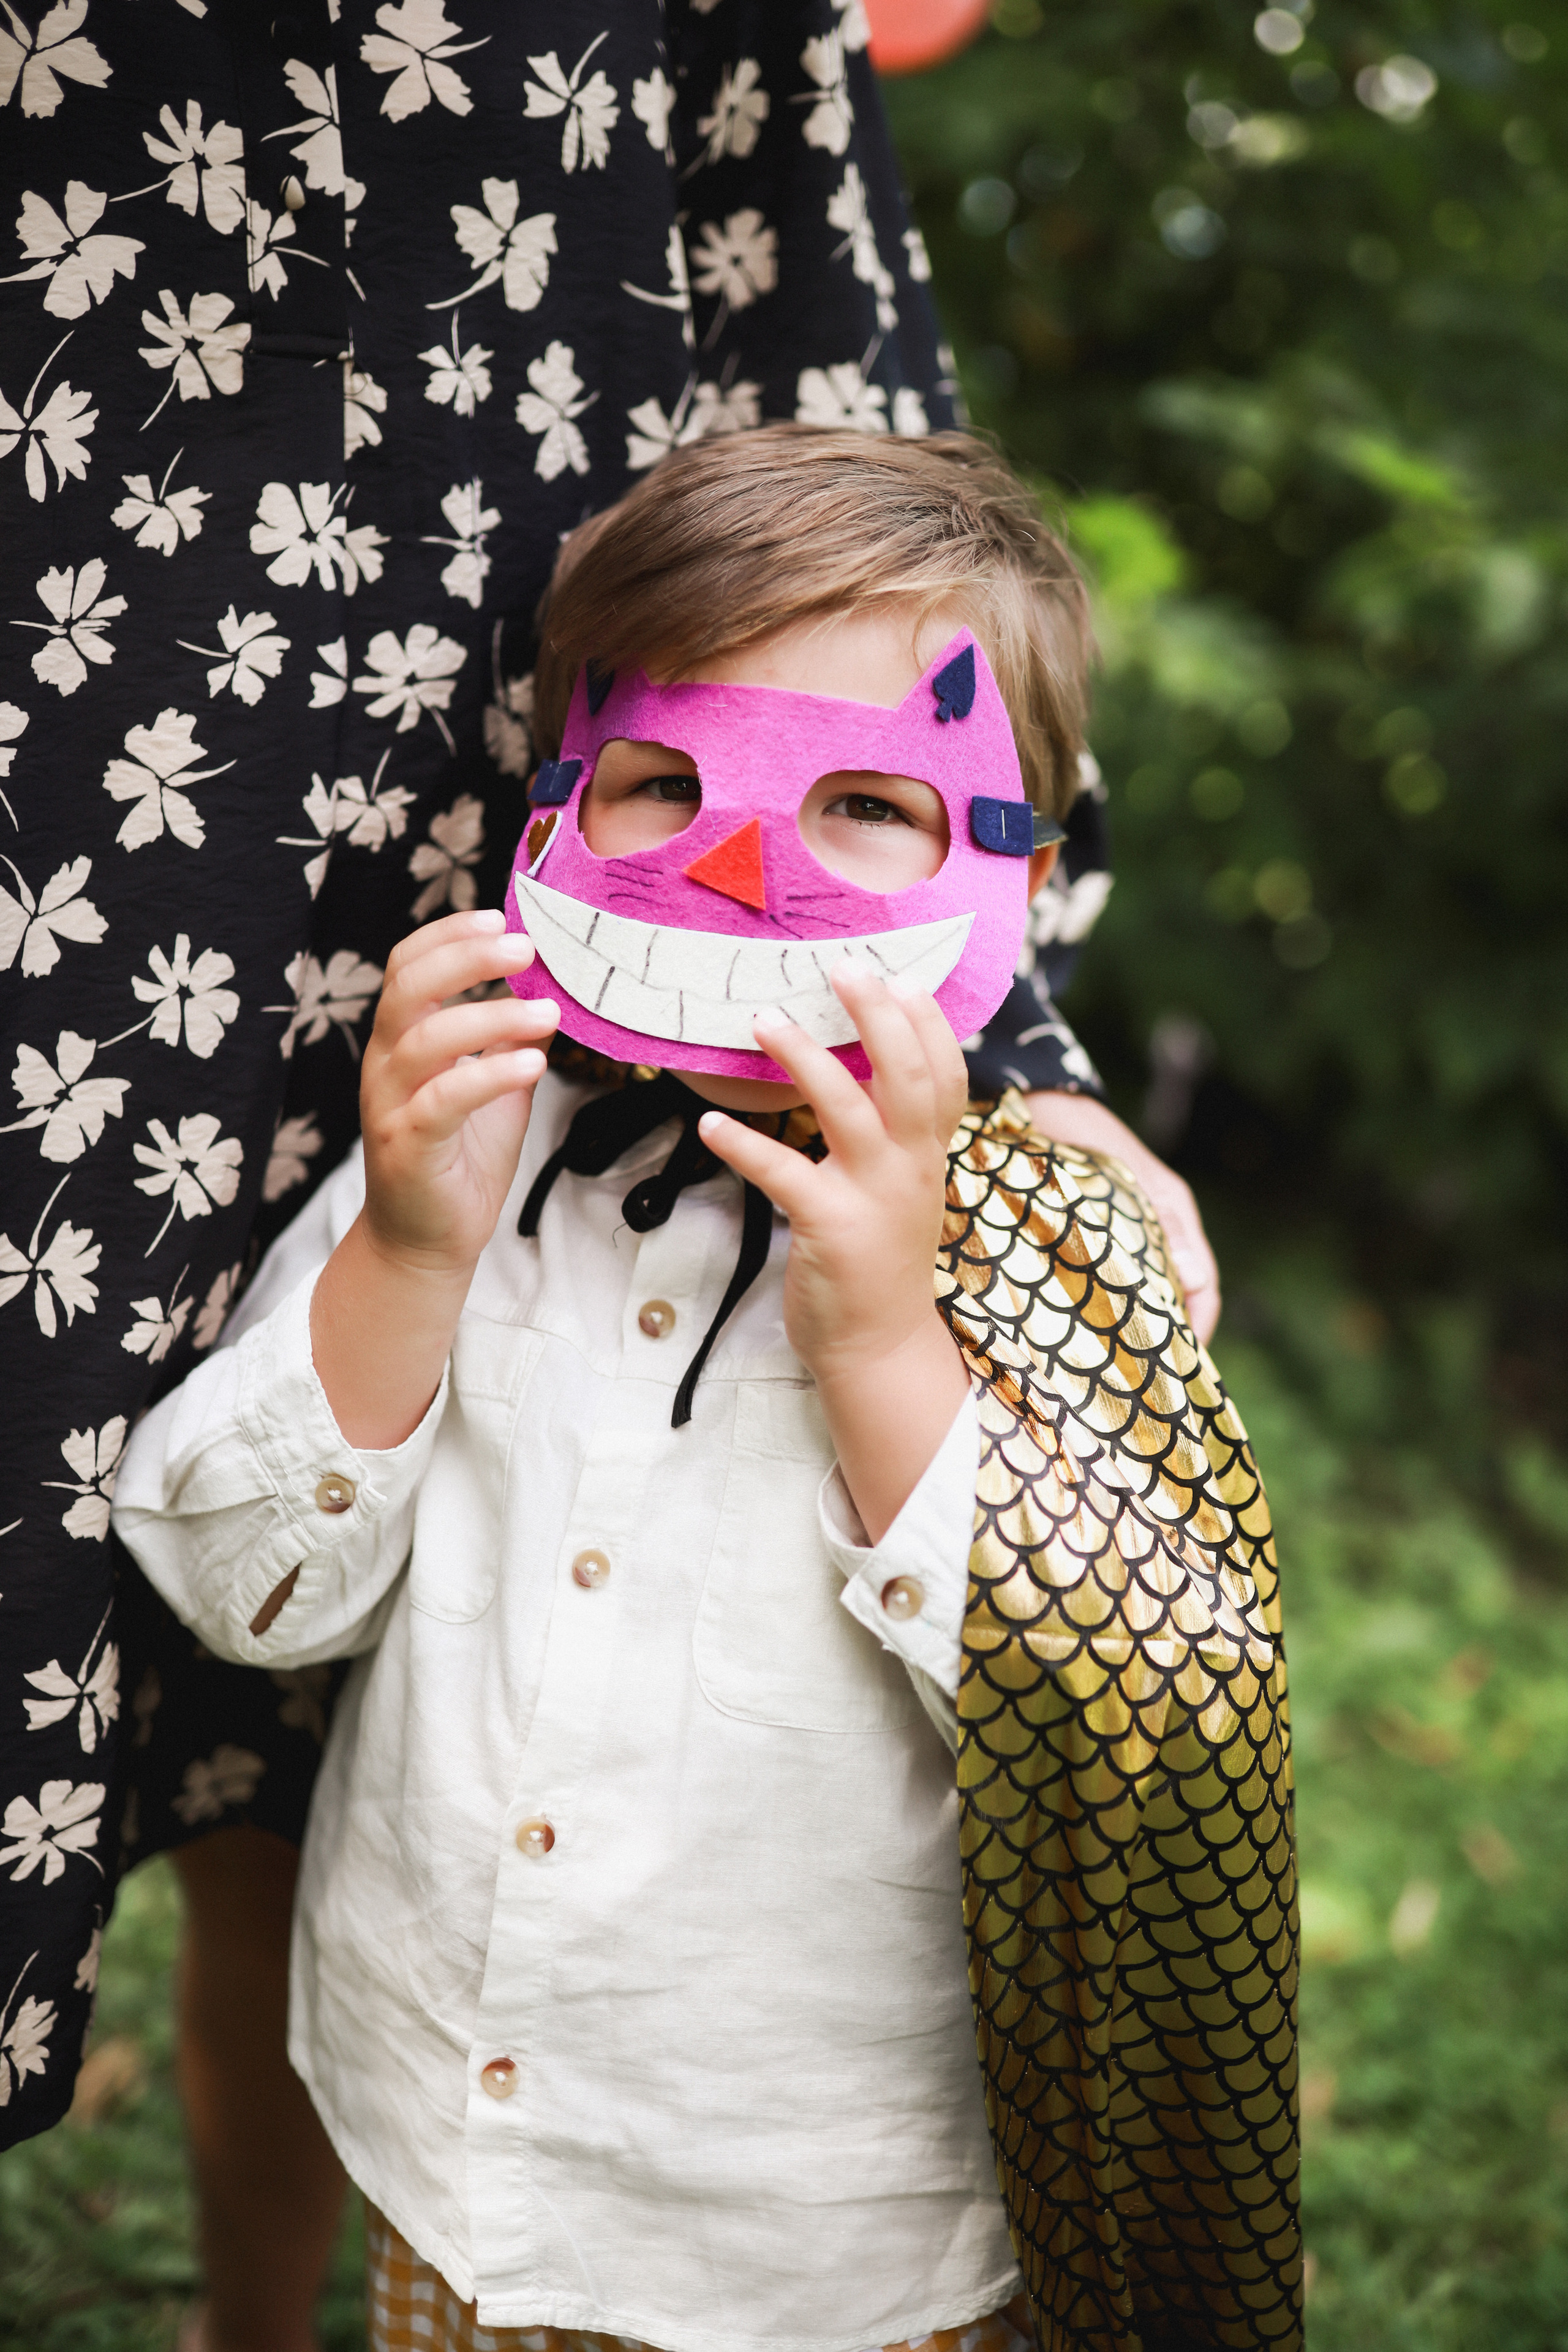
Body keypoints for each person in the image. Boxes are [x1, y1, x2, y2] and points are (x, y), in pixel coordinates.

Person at [113, 429, 1298, 2352]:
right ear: (558, 801)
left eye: (872, 804)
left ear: (1021, 872)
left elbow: (1122, 1719)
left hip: (828, 2238)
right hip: (454, 2153)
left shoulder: (1060, 1237)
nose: (747, 866)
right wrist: (405, 1253)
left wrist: (887, 1341)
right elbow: (246, 1592)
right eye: (665, 781)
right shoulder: (467, 1154)